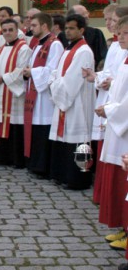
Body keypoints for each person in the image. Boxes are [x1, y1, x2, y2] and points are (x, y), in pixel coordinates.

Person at [48, 14, 96, 191]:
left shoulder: (84, 51)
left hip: (77, 104)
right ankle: (63, 175)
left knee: (77, 140)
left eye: (72, 28)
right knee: (64, 141)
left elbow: (72, 81)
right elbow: (56, 73)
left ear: (81, 30)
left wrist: (54, 85)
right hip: (65, 101)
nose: (67, 31)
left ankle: (77, 179)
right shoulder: (68, 49)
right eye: (66, 28)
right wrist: (54, 82)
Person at [94, 14, 128, 251]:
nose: (121, 37)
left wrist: (109, 110)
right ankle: (124, 228)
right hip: (118, 128)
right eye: (121, 33)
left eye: (126, 34)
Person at [22, 13, 63, 179]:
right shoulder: (38, 44)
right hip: (35, 94)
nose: (30, 29)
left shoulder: (55, 45)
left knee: (43, 130)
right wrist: (28, 73)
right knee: (36, 130)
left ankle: (43, 167)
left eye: (34, 26)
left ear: (44, 26)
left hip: (45, 97)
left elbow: (53, 70)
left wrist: (32, 72)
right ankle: (35, 164)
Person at [0, 19, 31, 168]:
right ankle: (2, 157)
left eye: (10, 30)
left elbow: (22, 70)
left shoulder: (23, 48)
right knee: (1, 122)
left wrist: (4, 78)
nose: (7, 33)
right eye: (4, 30)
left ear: (17, 30)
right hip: (1, 92)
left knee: (15, 124)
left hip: (14, 95)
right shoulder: (0, 49)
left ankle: (16, 159)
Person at [70, 4, 108, 70]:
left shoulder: (96, 33)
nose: (86, 16)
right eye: (82, 14)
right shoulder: (63, 35)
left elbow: (102, 57)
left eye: (86, 13)